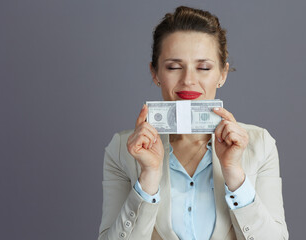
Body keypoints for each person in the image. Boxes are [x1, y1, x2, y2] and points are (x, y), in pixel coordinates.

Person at [98, 5, 288, 240]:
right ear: (155, 73)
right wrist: (148, 177)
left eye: (204, 67)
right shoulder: (122, 149)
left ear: (222, 74)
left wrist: (235, 175)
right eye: (174, 67)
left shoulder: (260, 145)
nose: (188, 80)